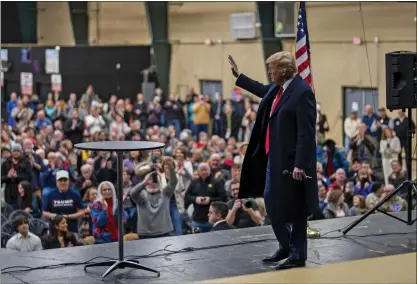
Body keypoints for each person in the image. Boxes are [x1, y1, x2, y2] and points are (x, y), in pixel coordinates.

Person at [228, 51, 318, 270]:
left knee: (296, 210)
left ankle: (297, 255)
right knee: (271, 204)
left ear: (284, 70)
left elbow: (306, 133)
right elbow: (261, 89)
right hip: (273, 160)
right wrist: (239, 77)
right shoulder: (278, 90)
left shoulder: (301, 92)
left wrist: (299, 164)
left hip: (291, 164)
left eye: (272, 68)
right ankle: (286, 246)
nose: (270, 72)